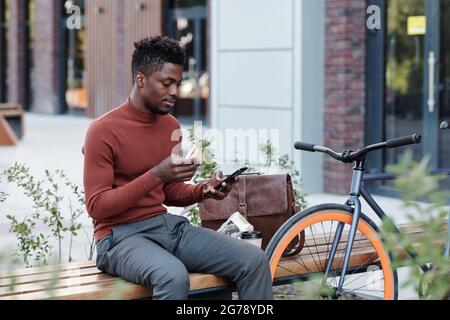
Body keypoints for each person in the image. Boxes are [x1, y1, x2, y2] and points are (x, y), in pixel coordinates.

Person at [82, 36, 273, 300]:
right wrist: (156, 174)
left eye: (178, 84)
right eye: (166, 83)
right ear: (140, 79)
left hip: (165, 227)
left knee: (253, 260)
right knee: (172, 276)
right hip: (117, 238)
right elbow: (97, 206)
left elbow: (169, 192)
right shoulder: (102, 131)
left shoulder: (169, 126)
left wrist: (204, 190)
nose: (174, 92)